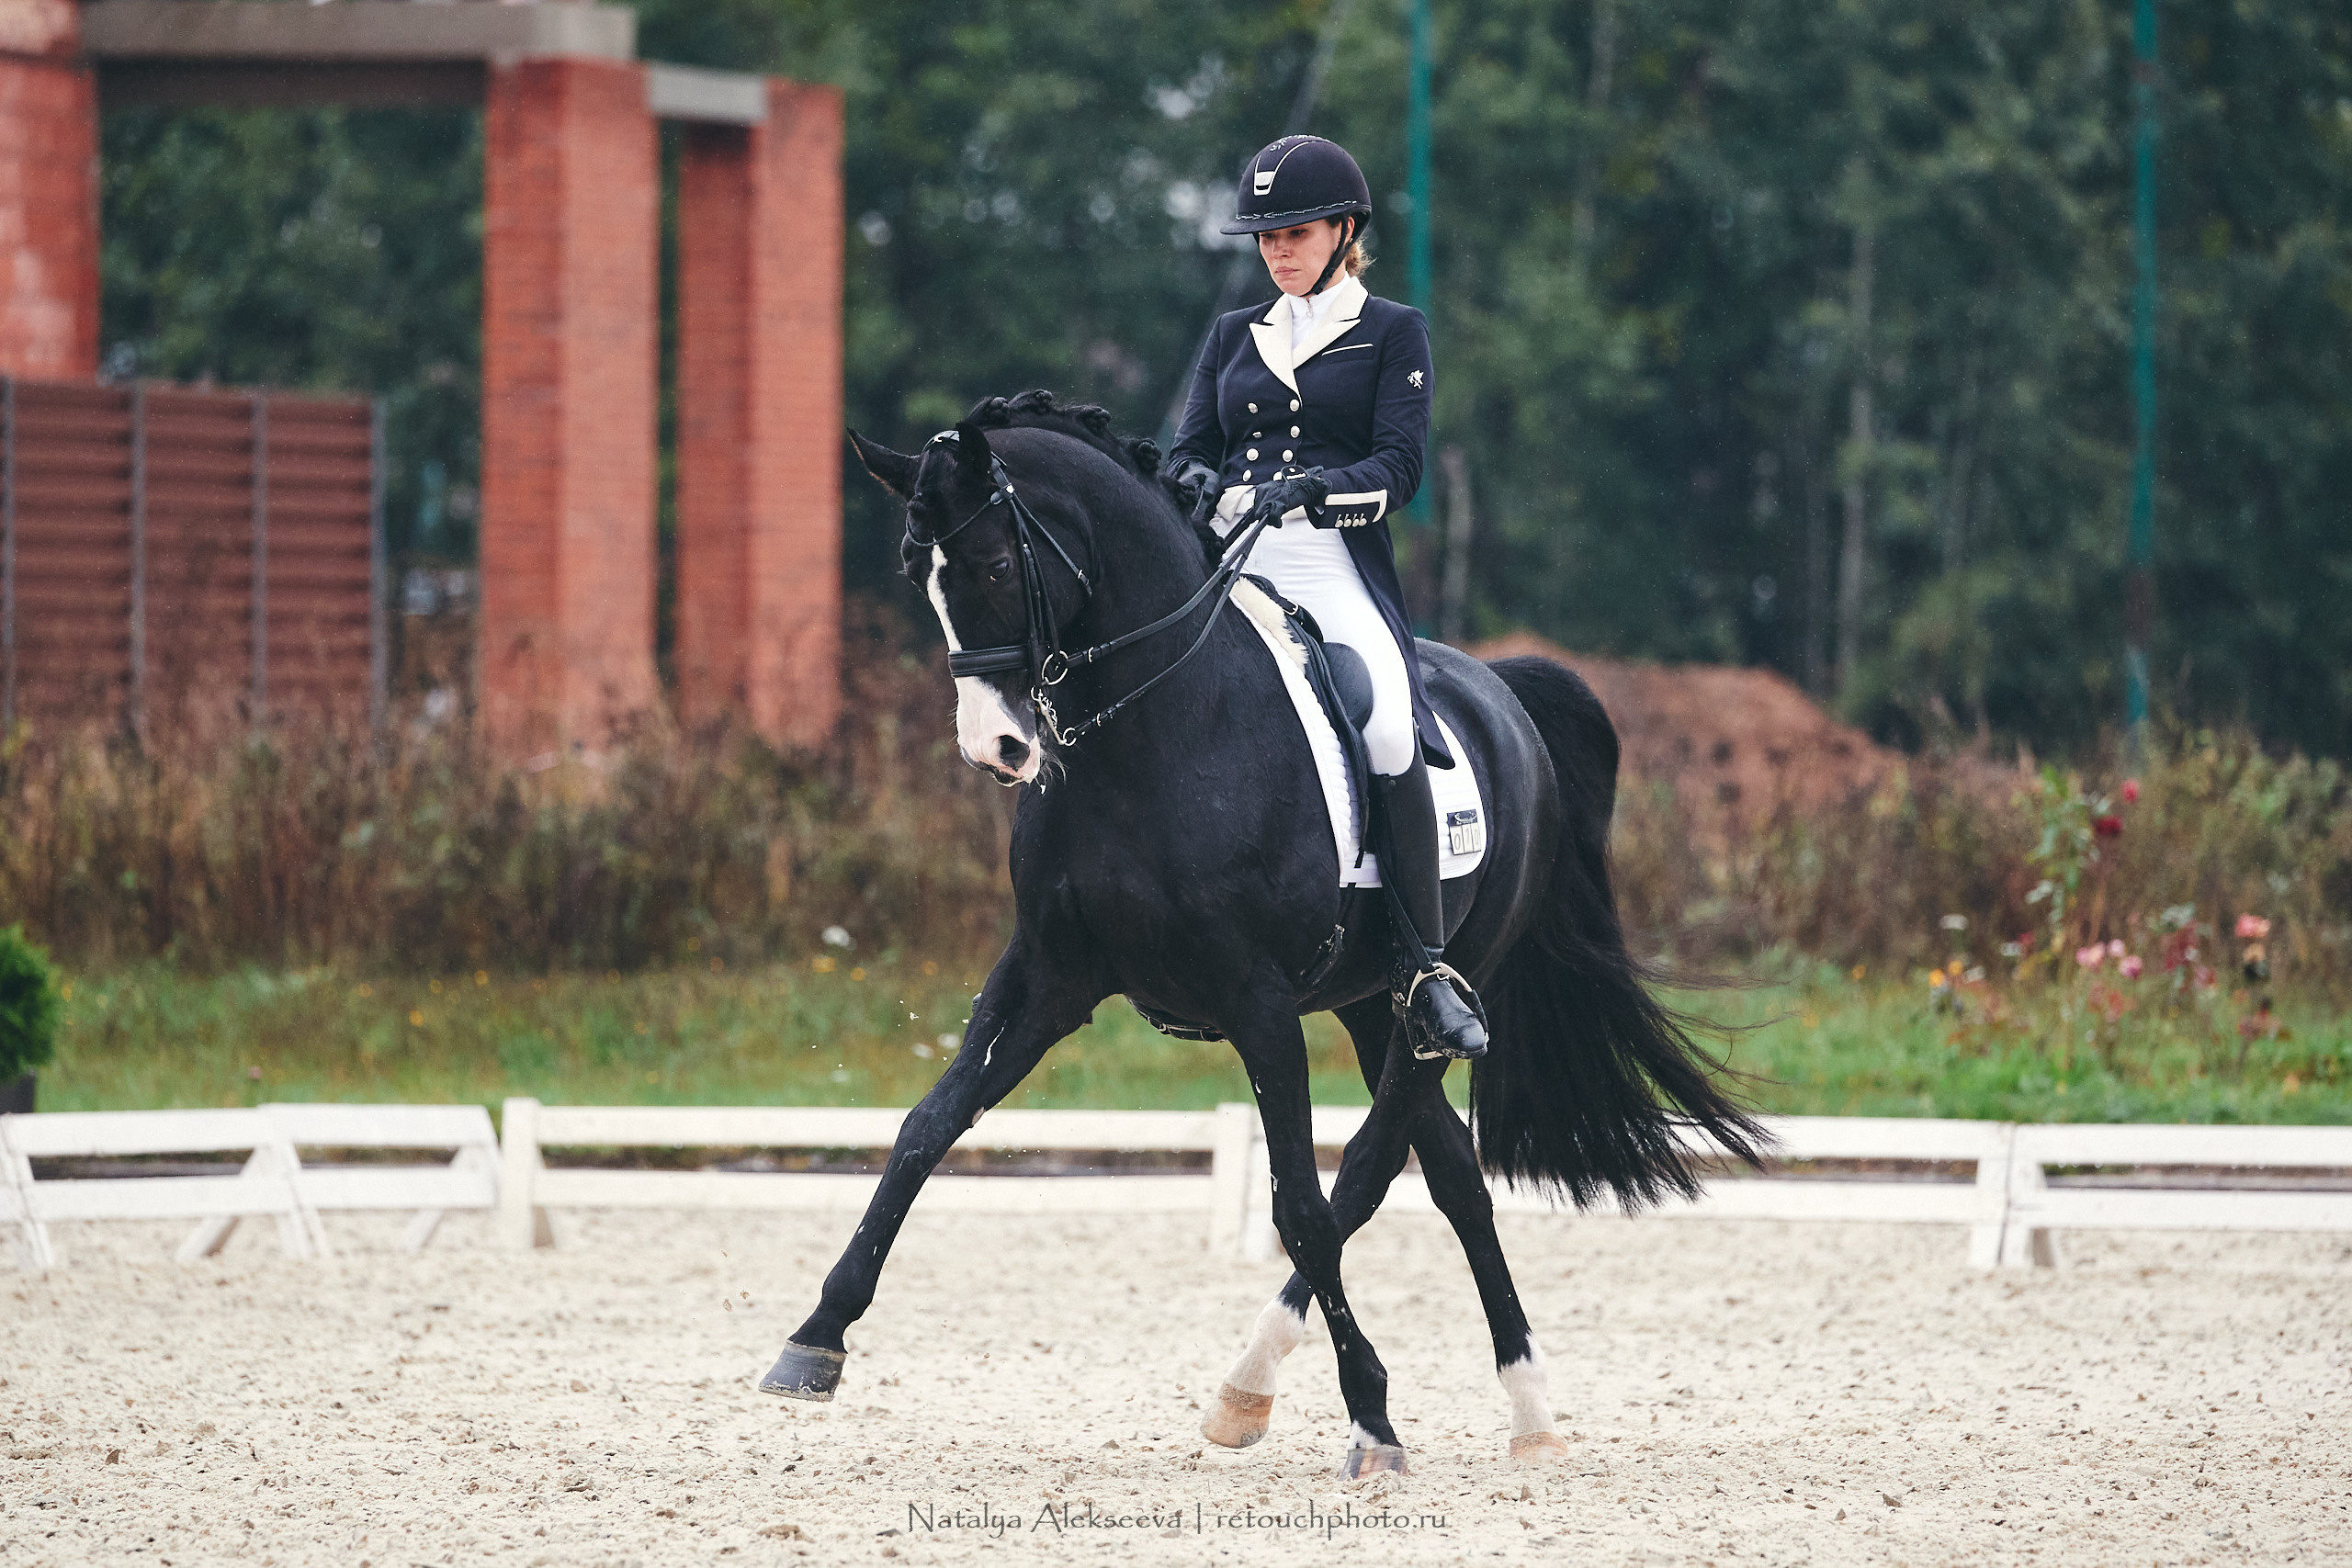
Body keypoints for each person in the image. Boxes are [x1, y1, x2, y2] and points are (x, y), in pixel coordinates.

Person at [1167, 134, 1487, 1061]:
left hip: (1331, 562)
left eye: (1295, 232)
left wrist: (1308, 490)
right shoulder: (1235, 335)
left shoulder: (1393, 331)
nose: (1277, 251)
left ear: (1345, 231)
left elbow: (1399, 468)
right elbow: (1191, 445)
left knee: (1387, 728)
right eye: (1265, 237)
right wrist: (1194, 483)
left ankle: (1424, 967)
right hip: (1232, 560)